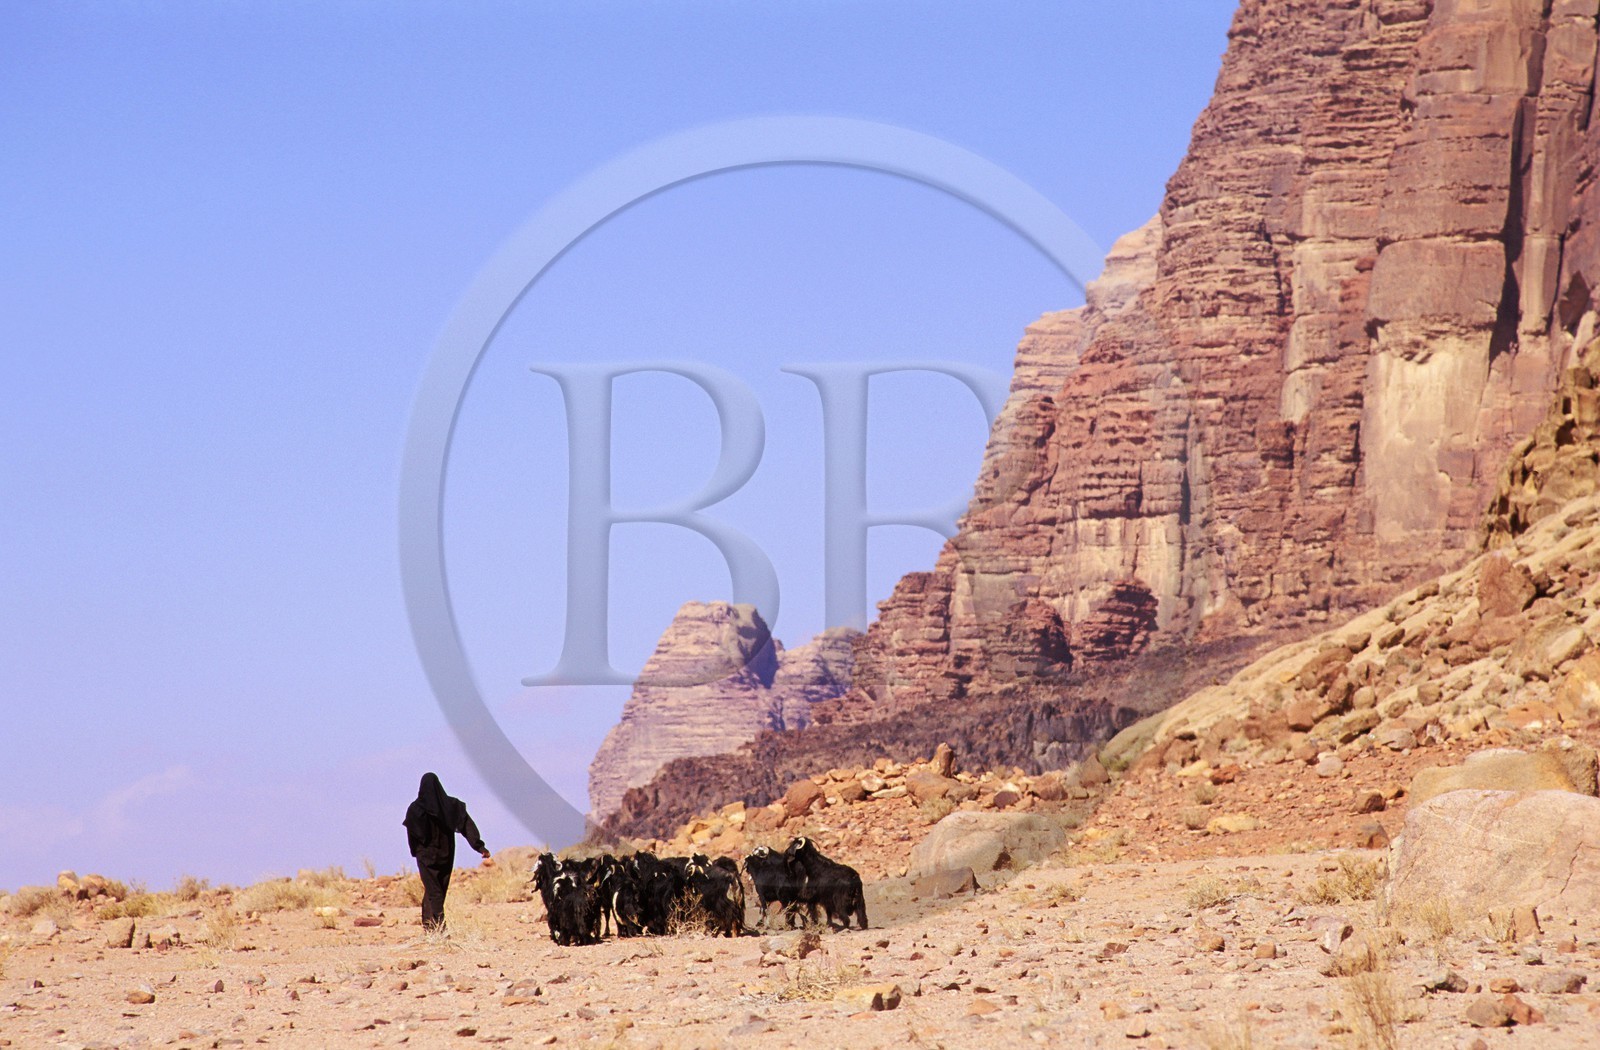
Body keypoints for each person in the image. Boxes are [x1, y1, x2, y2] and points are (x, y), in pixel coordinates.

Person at [403, 772, 491, 930]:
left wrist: (416, 852)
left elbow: (412, 834)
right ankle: (432, 927)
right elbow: (467, 826)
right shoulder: (451, 806)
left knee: (433, 891)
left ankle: (437, 928)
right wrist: (479, 846)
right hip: (446, 854)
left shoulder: (415, 809)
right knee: (437, 891)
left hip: (426, 857)